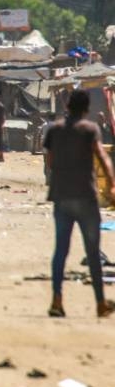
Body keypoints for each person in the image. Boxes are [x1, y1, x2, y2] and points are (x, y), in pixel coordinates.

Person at [44, 90, 115, 318]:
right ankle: (100, 302)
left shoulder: (54, 130)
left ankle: (57, 298)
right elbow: (103, 158)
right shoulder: (90, 130)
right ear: (86, 108)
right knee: (93, 252)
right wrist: (112, 185)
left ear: (67, 105)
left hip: (61, 197)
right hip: (86, 196)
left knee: (61, 250)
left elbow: (50, 161)